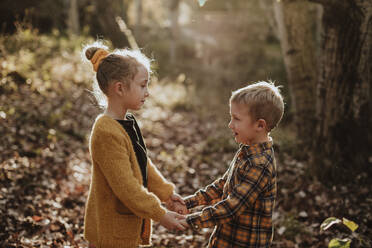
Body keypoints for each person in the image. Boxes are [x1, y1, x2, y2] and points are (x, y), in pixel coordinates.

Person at [82, 42, 187, 248]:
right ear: (119, 88)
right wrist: (161, 215)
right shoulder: (106, 131)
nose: (147, 92)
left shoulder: (126, 122)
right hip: (109, 232)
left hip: (123, 228)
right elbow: (126, 187)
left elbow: (141, 164)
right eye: (142, 85)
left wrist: (166, 194)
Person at [174, 81, 284, 247]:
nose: (230, 124)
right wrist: (189, 202)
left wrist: (191, 220)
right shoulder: (246, 150)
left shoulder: (259, 164)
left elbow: (231, 207)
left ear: (260, 125)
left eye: (236, 119)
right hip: (226, 238)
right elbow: (223, 185)